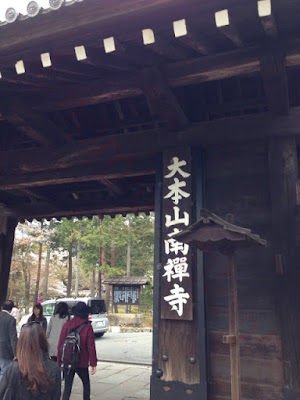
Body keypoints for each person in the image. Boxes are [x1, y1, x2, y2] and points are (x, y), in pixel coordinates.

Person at [0, 321, 61, 400]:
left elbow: (2, 393)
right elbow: (56, 396)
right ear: (43, 341)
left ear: (21, 342)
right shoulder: (54, 368)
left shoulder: (13, 368)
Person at [57, 302, 97, 400]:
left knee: (67, 387)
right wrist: (93, 363)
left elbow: (60, 345)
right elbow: (91, 346)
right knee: (86, 385)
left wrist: (59, 361)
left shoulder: (67, 325)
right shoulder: (87, 327)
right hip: (82, 362)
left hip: (67, 361)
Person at [0, 300, 18, 382]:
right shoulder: (11, 319)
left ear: (2, 307)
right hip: (5, 351)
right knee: (4, 372)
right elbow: (13, 337)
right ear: (11, 309)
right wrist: (15, 353)